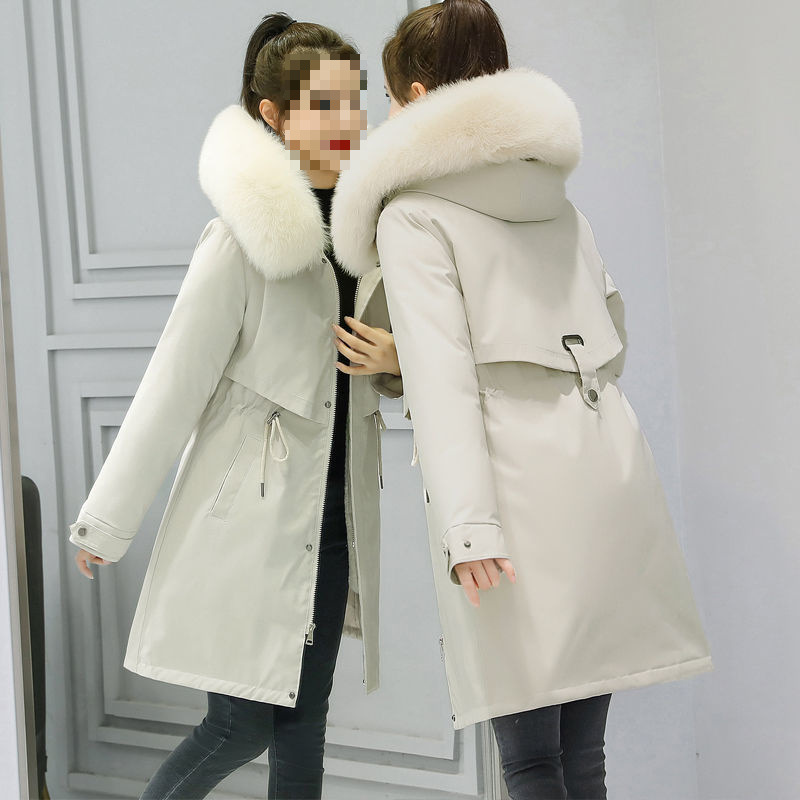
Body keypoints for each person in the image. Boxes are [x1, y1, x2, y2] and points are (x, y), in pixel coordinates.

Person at [330, 1, 714, 797]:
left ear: (419, 96)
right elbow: (610, 337)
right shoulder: (555, 198)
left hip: (508, 497)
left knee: (530, 760)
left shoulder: (413, 216)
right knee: (583, 755)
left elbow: (447, 385)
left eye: (394, 99)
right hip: (604, 474)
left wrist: (469, 528)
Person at [68, 13, 402, 799]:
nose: (349, 122)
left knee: (304, 725)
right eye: (326, 105)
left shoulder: (371, 238)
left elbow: (391, 368)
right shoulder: (240, 242)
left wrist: (397, 364)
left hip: (336, 518)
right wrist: (106, 522)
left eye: (354, 102)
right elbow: (172, 384)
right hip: (251, 521)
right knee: (239, 726)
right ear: (273, 115)